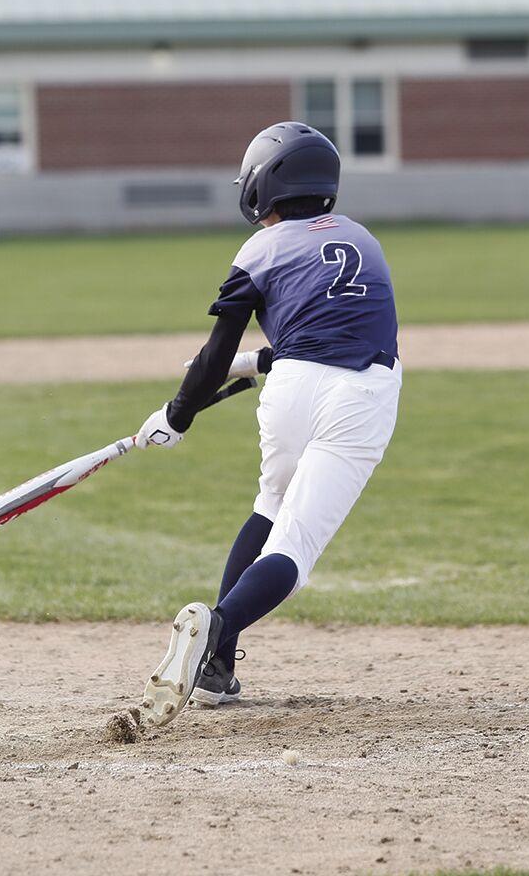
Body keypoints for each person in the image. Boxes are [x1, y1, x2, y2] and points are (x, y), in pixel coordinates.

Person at [133, 121, 402, 726]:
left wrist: (177, 415)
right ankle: (217, 629)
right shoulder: (364, 239)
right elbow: (344, 330)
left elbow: (213, 354)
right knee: (296, 546)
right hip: (361, 393)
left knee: (271, 504)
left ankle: (216, 664)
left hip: (291, 391)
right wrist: (237, 372)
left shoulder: (259, 249)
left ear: (263, 185)